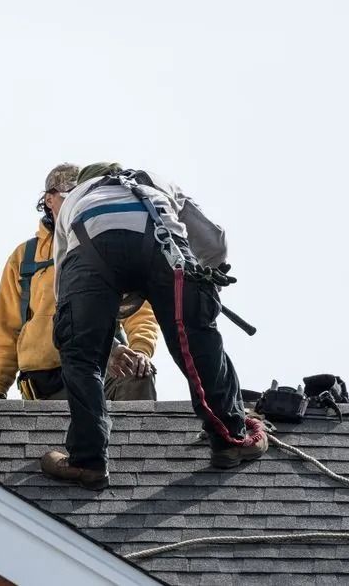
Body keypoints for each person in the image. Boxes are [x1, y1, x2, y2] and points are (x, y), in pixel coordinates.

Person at [41, 162, 267, 490]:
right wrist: (200, 295)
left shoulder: (75, 199)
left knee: (81, 355)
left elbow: (66, 292)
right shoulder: (157, 181)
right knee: (196, 340)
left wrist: (100, 331)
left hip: (91, 248)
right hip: (164, 246)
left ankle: (87, 461)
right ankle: (230, 439)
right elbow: (214, 242)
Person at [0, 163, 161, 402]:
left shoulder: (106, 243)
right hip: (46, 382)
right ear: (49, 200)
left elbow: (139, 310)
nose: (79, 201)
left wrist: (140, 351)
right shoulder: (24, 257)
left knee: (137, 374)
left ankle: (133, 439)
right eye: (71, 195)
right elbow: (7, 329)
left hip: (104, 364)